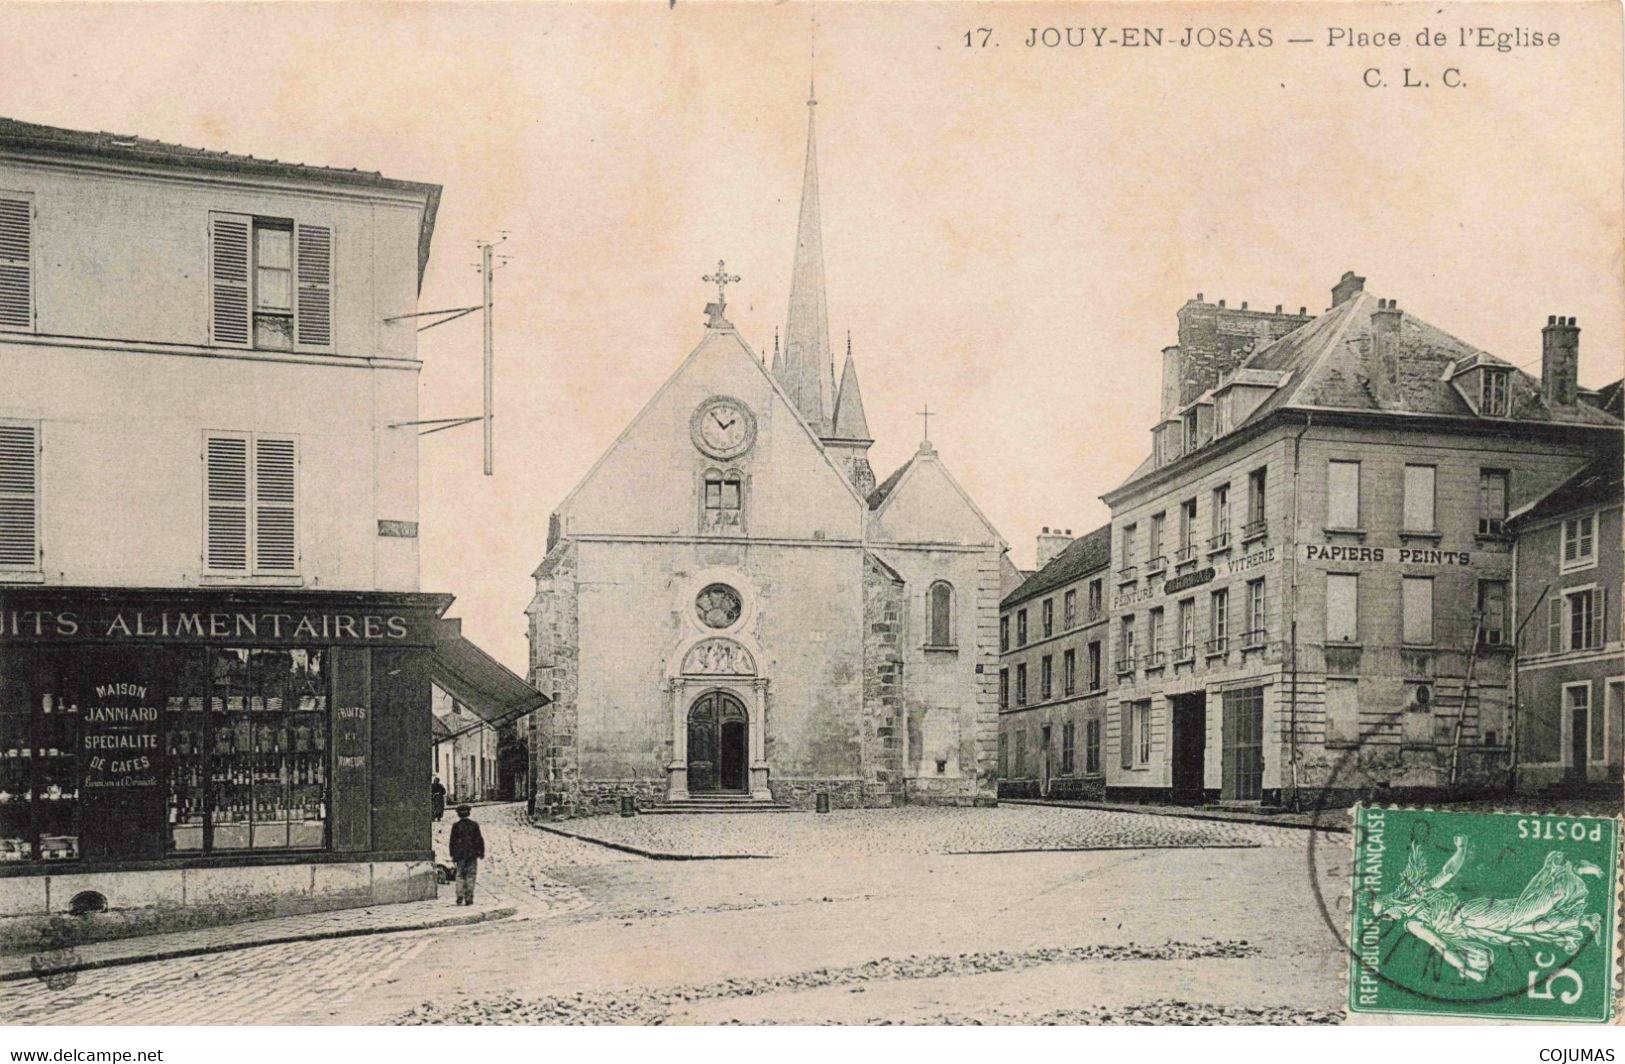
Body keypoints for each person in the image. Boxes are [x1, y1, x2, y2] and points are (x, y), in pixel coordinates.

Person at [448, 804, 485, 905]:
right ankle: (469, 897)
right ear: (469, 813)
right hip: (472, 854)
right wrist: (481, 852)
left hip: (459, 855)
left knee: (459, 875)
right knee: (471, 875)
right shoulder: (474, 825)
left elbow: (452, 841)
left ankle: (459, 896)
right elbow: (479, 840)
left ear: (458, 814)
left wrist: (452, 854)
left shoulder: (456, 826)